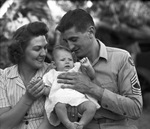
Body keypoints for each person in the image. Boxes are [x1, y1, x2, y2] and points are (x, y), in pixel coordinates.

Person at [55, 9, 143, 129]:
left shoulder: (121, 58)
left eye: (74, 39)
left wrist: (91, 88)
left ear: (91, 32)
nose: (70, 47)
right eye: (66, 41)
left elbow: (135, 109)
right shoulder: (68, 64)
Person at [0, 21, 53, 129]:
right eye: (37, 49)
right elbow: (3, 124)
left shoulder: (52, 72)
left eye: (45, 47)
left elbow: (54, 118)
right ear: (21, 51)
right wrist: (28, 98)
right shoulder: (3, 77)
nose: (43, 53)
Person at [43, 45, 100, 129]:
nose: (67, 62)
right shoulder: (51, 74)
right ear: (54, 64)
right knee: (58, 106)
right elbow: (48, 91)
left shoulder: (77, 68)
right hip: (61, 100)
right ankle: (68, 124)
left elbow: (92, 76)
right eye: (62, 60)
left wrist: (88, 67)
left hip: (79, 100)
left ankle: (81, 124)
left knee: (92, 107)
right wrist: (41, 88)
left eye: (70, 59)